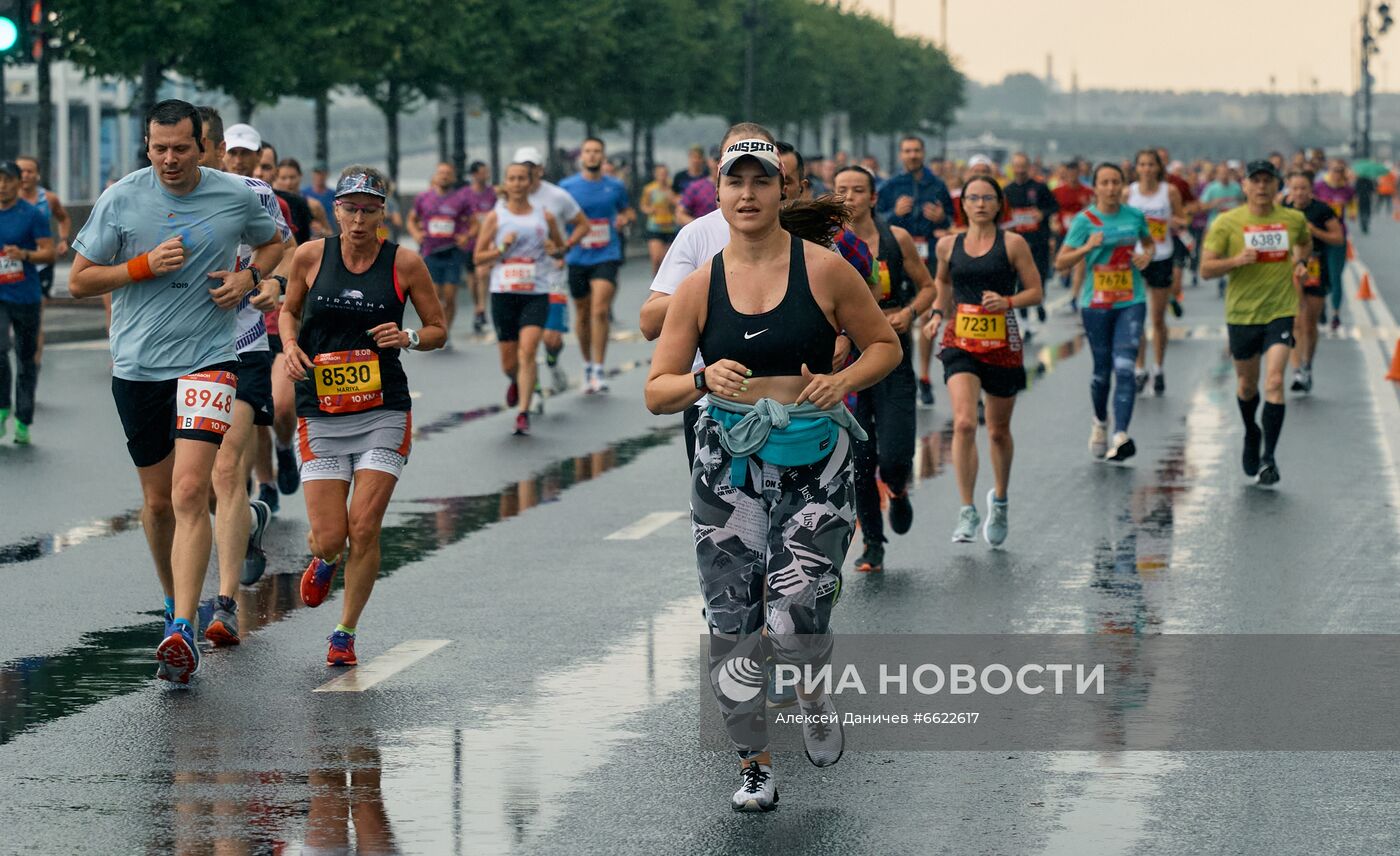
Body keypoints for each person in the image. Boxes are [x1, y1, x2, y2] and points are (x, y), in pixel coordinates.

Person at [644, 134, 900, 813]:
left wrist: (840, 381)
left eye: (763, 181)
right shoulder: (700, 286)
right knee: (732, 618)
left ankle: (812, 688)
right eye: (736, 183)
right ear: (719, 196)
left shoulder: (825, 270)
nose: (749, 194)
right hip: (726, 464)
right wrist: (702, 376)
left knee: (793, 617)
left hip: (815, 459)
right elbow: (657, 390)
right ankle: (754, 763)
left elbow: (885, 346)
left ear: (783, 191)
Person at [68, 99, 283, 683]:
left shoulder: (235, 195)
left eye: (181, 148)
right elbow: (80, 280)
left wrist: (249, 277)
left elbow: (274, 242)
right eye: (159, 148)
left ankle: (185, 627)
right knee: (159, 503)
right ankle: (172, 603)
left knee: (193, 490)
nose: (169, 159)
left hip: (210, 360)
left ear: (201, 147)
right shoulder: (122, 197)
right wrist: (139, 267)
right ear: (147, 146)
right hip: (138, 367)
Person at [281, 165, 446, 665]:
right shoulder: (311, 256)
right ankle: (326, 557)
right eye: (349, 208)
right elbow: (288, 310)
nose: (358, 219)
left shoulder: (405, 263)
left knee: (366, 525)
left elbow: (437, 327)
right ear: (335, 210)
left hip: (383, 410)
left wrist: (409, 337)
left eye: (368, 210)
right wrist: (289, 345)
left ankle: (344, 632)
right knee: (332, 536)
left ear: (382, 213)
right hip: (321, 412)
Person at [200, 115, 297, 643]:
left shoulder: (257, 194)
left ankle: (225, 604)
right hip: (177, 354)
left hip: (241, 346)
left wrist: (265, 279)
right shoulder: (155, 195)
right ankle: (251, 523)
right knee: (191, 488)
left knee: (225, 470)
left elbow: (283, 247)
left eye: (199, 147)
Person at [832, 165, 936, 573]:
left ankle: (897, 486)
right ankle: (873, 543)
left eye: (858, 190)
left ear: (874, 198)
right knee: (859, 457)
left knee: (893, 453)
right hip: (850, 363)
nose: (849, 197)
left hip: (892, 357)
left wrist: (909, 313)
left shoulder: (896, 240)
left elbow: (928, 287)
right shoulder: (825, 245)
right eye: (841, 190)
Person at [929, 174, 1041, 545]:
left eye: (987, 198)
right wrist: (935, 313)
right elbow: (943, 283)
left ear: (998, 205)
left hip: (1001, 342)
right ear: (963, 204)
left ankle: (1001, 500)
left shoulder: (1013, 244)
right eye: (973, 197)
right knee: (963, 423)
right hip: (960, 338)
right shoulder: (948, 244)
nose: (979, 204)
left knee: (997, 430)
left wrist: (1008, 301)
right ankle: (966, 510)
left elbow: (1035, 291)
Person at [1200, 160, 1311, 486]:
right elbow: (1206, 270)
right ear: (1244, 186)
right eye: (1255, 181)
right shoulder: (1227, 222)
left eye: (1268, 181)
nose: (1262, 187)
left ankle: (1269, 458)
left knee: (1274, 381)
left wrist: (1301, 260)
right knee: (1248, 386)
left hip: (1280, 309)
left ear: (1278, 186)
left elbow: (1304, 241)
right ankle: (1251, 431)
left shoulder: (1293, 219)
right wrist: (1236, 260)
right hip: (1242, 314)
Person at [1054, 163, 1154, 464]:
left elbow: (1149, 242)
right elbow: (1061, 262)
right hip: (1096, 304)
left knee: (1125, 366)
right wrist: (1086, 247)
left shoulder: (1135, 216)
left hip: (1130, 300)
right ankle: (1100, 422)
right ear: (1095, 187)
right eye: (1105, 183)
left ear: (1123, 186)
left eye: (1116, 182)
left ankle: (1121, 434)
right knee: (1101, 372)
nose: (1111, 188)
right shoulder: (1085, 221)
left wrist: (1145, 256)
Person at [474, 161, 566, 435]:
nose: (516, 183)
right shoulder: (496, 217)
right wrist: (502, 247)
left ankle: (523, 411)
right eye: (511, 178)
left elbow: (560, 250)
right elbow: (478, 256)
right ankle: (516, 381)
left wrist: (554, 248)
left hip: (535, 292)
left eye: (521, 178)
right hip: (503, 293)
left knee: (528, 352)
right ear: (506, 183)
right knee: (509, 363)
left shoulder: (544, 215)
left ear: (529, 182)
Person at [876, 135, 954, 407]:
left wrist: (941, 219)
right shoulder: (890, 186)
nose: (912, 155)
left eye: (917, 150)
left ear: (923, 153)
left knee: (925, 314)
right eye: (907, 151)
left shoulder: (937, 185)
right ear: (901, 155)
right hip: (899, 257)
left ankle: (923, 376)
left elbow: (951, 219)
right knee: (901, 313)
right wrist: (893, 214)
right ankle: (901, 367)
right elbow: (876, 219)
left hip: (929, 256)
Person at [512, 147, 588, 395]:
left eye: (531, 166)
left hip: (553, 277)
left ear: (540, 169)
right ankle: (532, 389)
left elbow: (582, 225)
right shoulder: (506, 200)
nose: (527, 171)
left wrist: (564, 247)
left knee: (552, 338)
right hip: (520, 279)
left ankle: (553, 362)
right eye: (522, 166)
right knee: (527, 341)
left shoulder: (557, 196)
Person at [561, 138, 634, 393]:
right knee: (582, 313)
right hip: (578, 257)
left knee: (600, 310)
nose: (592, 156)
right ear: (581, 156)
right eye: (588, 152)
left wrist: (624, 219)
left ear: (603, 157)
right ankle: (587, 364)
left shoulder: (614, 186)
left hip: (606, 254)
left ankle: (600, 369)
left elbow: (627, 211)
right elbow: (555, 218)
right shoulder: (567, 187)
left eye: (597, 152)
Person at [0, 159, 55, 445]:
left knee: (25, 358)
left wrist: (24, 254)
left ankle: (23, 418)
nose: (2, 185)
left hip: (26, 295)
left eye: (7, 179)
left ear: (17, 182)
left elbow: (48, 253)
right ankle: (1, 409)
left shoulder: (32, 214)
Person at [1126, 149, 1185, 396]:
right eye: (1142, 164)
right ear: (1137, 168)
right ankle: (1140, 370)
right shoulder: (1128, 192)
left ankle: (1158, 368)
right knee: (1136, 317)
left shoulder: (1168, 191)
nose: (1147, 169)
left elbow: (1182, 220)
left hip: (1161, 256)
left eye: (1151, 164)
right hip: (1137, 258)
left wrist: (1169, 223)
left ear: (1158, 168)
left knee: (1158, 318)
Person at [1283, 170, 1343, 394]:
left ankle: (1308, 363)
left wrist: (1314, 231)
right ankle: (1297, 370)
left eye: (1303, 188)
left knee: (1310, 323)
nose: (1299, 193)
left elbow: (1338, 238)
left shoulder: (1322, 210)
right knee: (1296, 321)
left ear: (1311, 190)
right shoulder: (1283, 210)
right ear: (1289, 188)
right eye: (1295, 188)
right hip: (1290, 269)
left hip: (1317, 268)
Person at [407, 162, 473, 349]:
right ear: (435, 176)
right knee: (435, 296)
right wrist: (415, 234)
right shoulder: (423, 198)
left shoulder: (460, 199)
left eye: (448, 173)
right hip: (431, 252)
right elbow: (411, 220)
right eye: (441, 173)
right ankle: (434, 329)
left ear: (452, 178)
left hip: (452, 252)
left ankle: (446, 332)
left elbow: (474, 224)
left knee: (450, 296)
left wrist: (466, 236)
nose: (444, 176)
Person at [1002, 152, 1057, 333]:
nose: (1019, 170)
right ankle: (1024, 321)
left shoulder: (1040, 187)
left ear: (1029, 167)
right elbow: (1003, 216)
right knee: (1020, 281)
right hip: (1018, 244)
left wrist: (1042, 213)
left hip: (1038, 241)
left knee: (1040, 276)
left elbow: (1054, 206)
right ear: (1012, 168)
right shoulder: (1007, 191)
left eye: (1023, 166)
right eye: (1016, 166)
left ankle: (1040, 301)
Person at [14, 156, 69, 302]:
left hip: (42, 259)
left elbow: (63, 218)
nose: (25, 175)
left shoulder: (49, 198)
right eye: (21, 171)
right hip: (13, 260)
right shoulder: (6, 199)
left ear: (37, 175)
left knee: (38, 304)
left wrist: (63, 240)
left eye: (29, 171)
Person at [1314, 159, 1355, 331]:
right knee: (1318, 275)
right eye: (1334, 169)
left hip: (1338, 237)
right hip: (1319, 237)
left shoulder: (1347, 190)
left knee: (1335, 277)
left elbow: (1353, 207)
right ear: (1329, 170)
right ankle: (1321, 305)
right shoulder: (1319, 187)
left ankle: (1336, 314)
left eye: (1340, 170)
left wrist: (1352, 212)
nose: (1337, 173)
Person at [458, 161, 498, 334]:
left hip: (487, 241)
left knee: (483, 273)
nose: (486, 175)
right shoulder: (464, 195)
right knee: (472, 277)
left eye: (487, 172)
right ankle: (477, 307)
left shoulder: (493, 194)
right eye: (483, 172)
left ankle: (482, 307)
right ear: (474, 175)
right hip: (470, 242)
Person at [1051, 159, 1094, 304]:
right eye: (1070, 173)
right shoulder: (1057, 191)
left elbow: (1094, 210)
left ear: (1079, 173)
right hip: (1063, 232)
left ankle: (1075, 296)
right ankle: (1065, 276)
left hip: (1081, 233)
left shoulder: (1087, 191)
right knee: (1063, 265)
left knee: (1080, 263)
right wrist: (1054, 222)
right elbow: (1053, 211)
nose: (1072, 177)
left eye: (1075, 173)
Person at [1199, 163, 1245, 297]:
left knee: (1231, 253)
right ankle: (1220, 278)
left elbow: (1243, 203)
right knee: (1216, 255)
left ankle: (1227, 278)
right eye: (1221, 173)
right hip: (1214, 226)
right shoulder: (1211, 188)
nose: (1224, 176)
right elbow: (1202, 206)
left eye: (1226, 173)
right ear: (1217, 175)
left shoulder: (1236, 187)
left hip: (1234, 226)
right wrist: (1213, 204)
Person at [278, 157, 333, 237]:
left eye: (292, 177)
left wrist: (321, 231)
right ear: (276, 178)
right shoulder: (272, 204)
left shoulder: (313, 206)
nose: (288, 182)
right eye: (283, 178)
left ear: (300, 176)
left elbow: (330, 233)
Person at [640, 163, 679, 273]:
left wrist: (673, 199)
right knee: (656, 258)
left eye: (665, 174)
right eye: (660, 174)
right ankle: (656, 282)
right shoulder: (649, 189)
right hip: (655, 226)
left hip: (671, 226)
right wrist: (649, 210)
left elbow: (680, 202)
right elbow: (643, 205)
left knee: (668, 260)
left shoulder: (672, 187)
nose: (662, 176)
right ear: (655, 175)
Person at [303, 165, 338, 236]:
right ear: (313, 174)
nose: (319, 176)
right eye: (317, 173)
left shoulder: (334, 195)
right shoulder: (304, 193)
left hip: (330, 232)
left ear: (327, 174)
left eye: (322, 174)